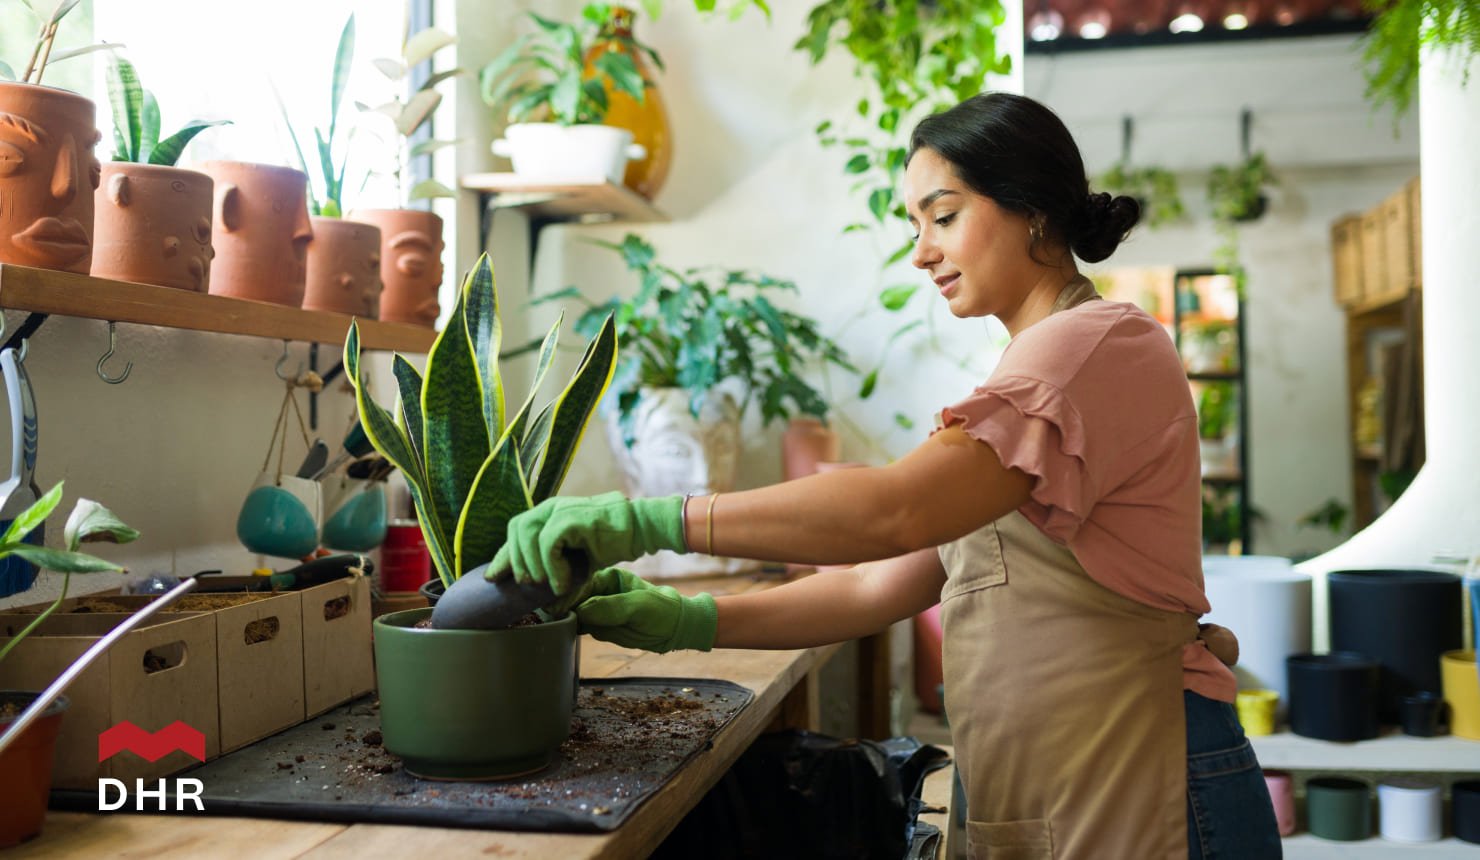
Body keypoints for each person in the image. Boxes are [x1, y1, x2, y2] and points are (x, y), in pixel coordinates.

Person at [490, 92, 1282, 859]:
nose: (921, 251)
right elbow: (879, 584)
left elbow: (894, 510)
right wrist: (686, 621)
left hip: (1148, 786)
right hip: (1072, 787)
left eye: (944, 216)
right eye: (915, 225)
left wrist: (650, 522)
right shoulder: (1032, 371)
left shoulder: (1095, 345)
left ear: (1033, 209)